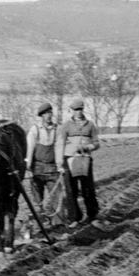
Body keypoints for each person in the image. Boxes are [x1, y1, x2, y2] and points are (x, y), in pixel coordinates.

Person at [57, 98, 100, 225]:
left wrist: (88, 147)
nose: (78, 112)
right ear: (72, 111)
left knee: (88, 189)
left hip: (85, 159)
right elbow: (60, 144)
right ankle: (74, 217)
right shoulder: (67, 126)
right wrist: (59, 163)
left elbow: (97, 143)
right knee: (71, 190)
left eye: (80, 109)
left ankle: (92, 214)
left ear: (83, 109)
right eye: (76, 110)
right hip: (69, 159)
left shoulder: (90, 125)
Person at [24, 102, 62, 236]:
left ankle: (58, 226)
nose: (49, 116)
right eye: (46, 113)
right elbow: (30, 148)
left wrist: (60, 165)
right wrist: (28, 166)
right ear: (41, 116)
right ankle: (38, 227)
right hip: (37, 168)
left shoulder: (57, 129)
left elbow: (58, 148)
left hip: (52, 168)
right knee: (37, 200)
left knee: (57, 196)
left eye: (50, 113)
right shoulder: (35, 129)